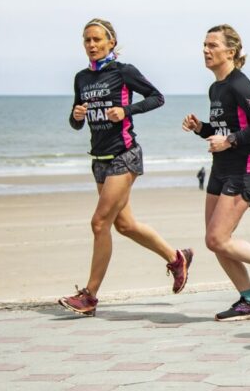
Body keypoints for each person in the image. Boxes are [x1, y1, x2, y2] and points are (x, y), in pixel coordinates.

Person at [59, 18, 193, 317]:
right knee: (125, 225)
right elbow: (75, 122)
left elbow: (157, 97)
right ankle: (177, 258)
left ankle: (89, 296)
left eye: (96, 40)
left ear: (111, 43)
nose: (91, 45)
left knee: (99, 223)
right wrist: (78, 115)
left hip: (125, 154)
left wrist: (126, 110)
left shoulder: (123, 72)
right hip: (99, 159)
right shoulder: (82, 78)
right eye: (86, 41)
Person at [182, 24, 250, 321]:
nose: (206, 50)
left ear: (230, 51)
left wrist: (229, 140)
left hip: (246, 167)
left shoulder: (239, 84)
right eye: (204, 45)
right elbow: (224, 129)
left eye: (212, 45)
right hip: (221, 168)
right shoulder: (215, 88)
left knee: (217, 238)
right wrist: (201, 129)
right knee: (214, 240)